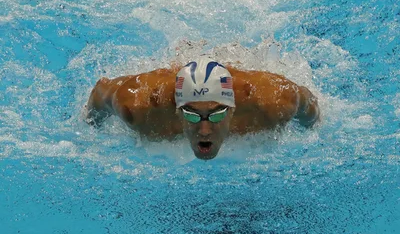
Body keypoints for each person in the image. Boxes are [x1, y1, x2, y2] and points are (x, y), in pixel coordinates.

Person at [86, 56, 320, 160]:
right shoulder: (137, 107)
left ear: (233, 109)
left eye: (217, 113)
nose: (205, 129)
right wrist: (91, 127)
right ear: (176, 111)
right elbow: (100, 91)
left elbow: (307, 103)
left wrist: (313, 129)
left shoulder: (272, 104)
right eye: (191, 114)